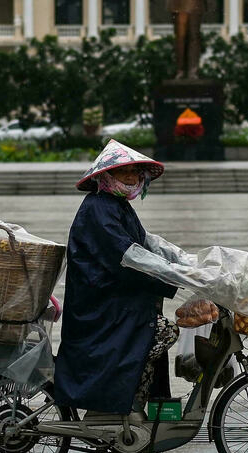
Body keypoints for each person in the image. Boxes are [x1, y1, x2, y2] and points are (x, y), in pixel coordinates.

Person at [53, 140, 179, 422]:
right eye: (125, 173)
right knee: (164, 331)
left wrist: (186, 265)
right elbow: (128, 258)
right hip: (100, 308)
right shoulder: (100, 209)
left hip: (115, 299)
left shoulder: (116, 205)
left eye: (136, 173)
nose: (133, 178)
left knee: (156, 330)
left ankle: (146, 409)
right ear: (106, 177)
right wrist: (170, 278)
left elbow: (147, 245)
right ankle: (121, 405)